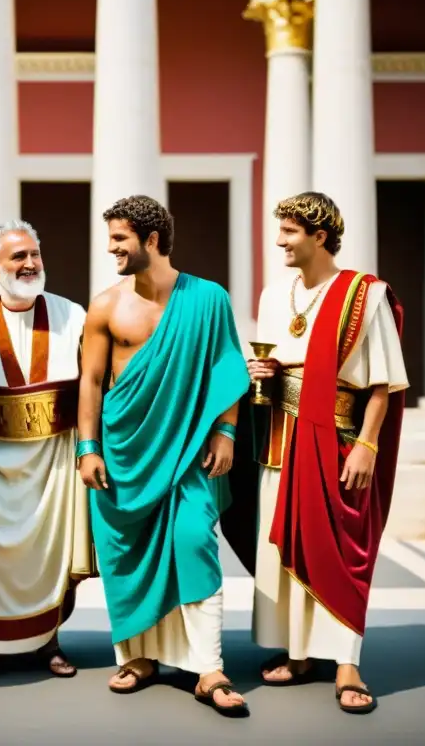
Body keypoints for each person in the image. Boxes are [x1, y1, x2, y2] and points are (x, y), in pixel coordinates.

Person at [77, 195, 251, 716]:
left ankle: (209, 667)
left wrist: (225, 432)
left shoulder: (209, 299)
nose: (111, 249)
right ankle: (138, 658)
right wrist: (87, 448)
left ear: (151, 240)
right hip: (125, 451)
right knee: (127, 555)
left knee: (195, 539)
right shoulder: (106, 305)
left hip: (186, 450)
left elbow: (227, 369)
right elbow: (90, 380)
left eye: (119, 239)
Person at [246, 191, 408, 715]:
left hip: (338, 435)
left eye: (290, 232)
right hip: (280, 435)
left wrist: (366, 443)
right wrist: (262, 374)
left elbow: (383, 385)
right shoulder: (275, 295)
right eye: (280, 230)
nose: (280, 242)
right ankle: (298, 654)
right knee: (285, 547)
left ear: (320, 235)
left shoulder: (365, 295)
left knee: (340, 548)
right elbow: (275, 363)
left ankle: (345, 662)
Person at [0, 220, 95, 680]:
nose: (30, 263)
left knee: (48, 555)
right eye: (18, 257)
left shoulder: (73, 314)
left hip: (52, 459)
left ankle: (47, 640)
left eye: (34, 254)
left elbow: (96, 382)